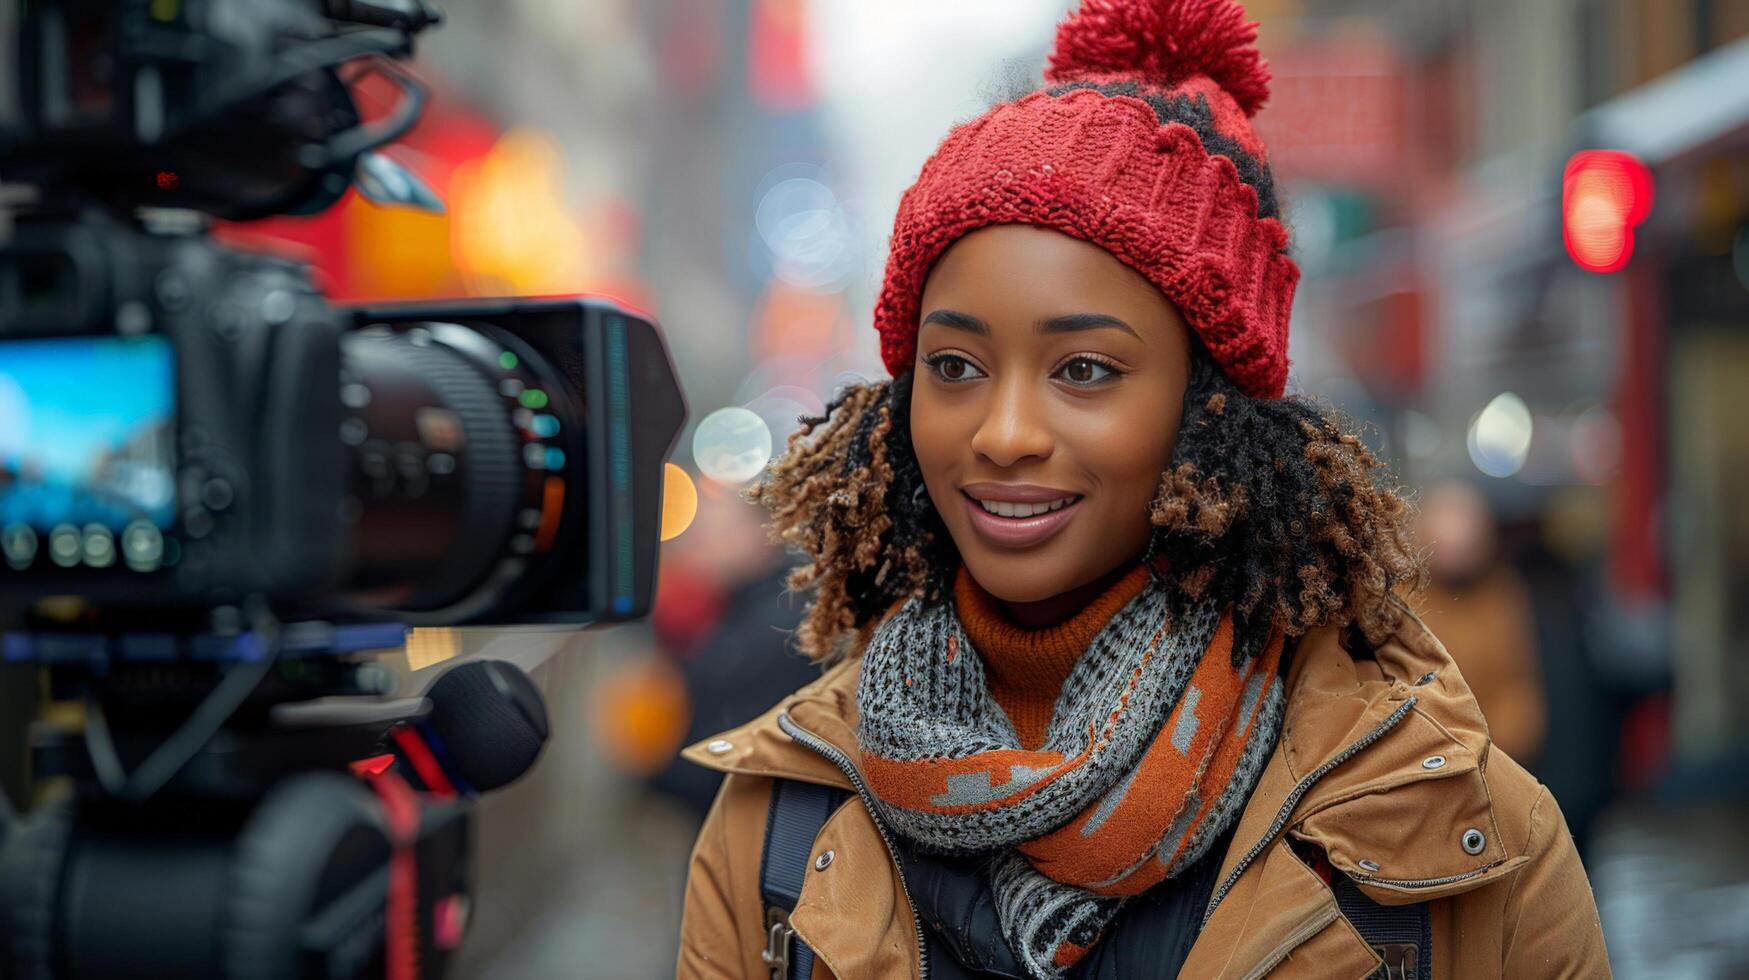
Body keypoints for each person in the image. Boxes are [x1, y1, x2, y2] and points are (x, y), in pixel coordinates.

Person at [677, 1, 1608, 976]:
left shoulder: (1466, 837)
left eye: (1083, 368)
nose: (1002, 434)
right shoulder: (774, 829)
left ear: (1209, 409)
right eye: (954, 366)